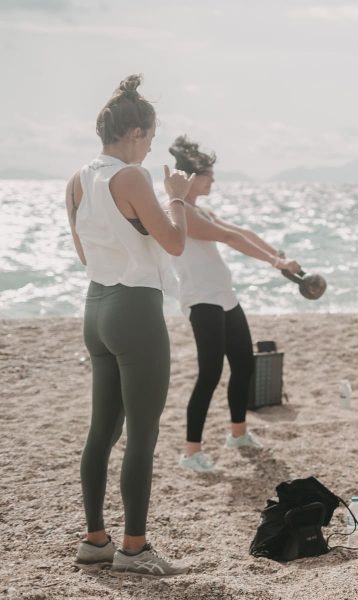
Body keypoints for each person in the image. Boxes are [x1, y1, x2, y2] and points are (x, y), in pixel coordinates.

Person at [66, 74, 191, 576]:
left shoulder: (77, 179)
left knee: (102, 431)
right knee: (142, 434)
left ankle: (96, 540)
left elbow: (83, 254)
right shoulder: (132, 177)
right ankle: (134, 549)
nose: (149, 149)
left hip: (96, 307)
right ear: (136, 133)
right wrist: (178, 196)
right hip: (135, 309)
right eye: (150, 139)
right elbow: (176, 244)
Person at [167, 136, 302, 473]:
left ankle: (237, 435)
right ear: (193, 176)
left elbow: (239, 230)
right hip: (202, 301)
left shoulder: (201, 210)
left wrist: (279, 256)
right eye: (208, 174)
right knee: (210, 375)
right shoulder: (181, 213)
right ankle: (191, 452)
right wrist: (273, 263)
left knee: (244, 365)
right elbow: (229, 238)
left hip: (224, 296)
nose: (213, 180)